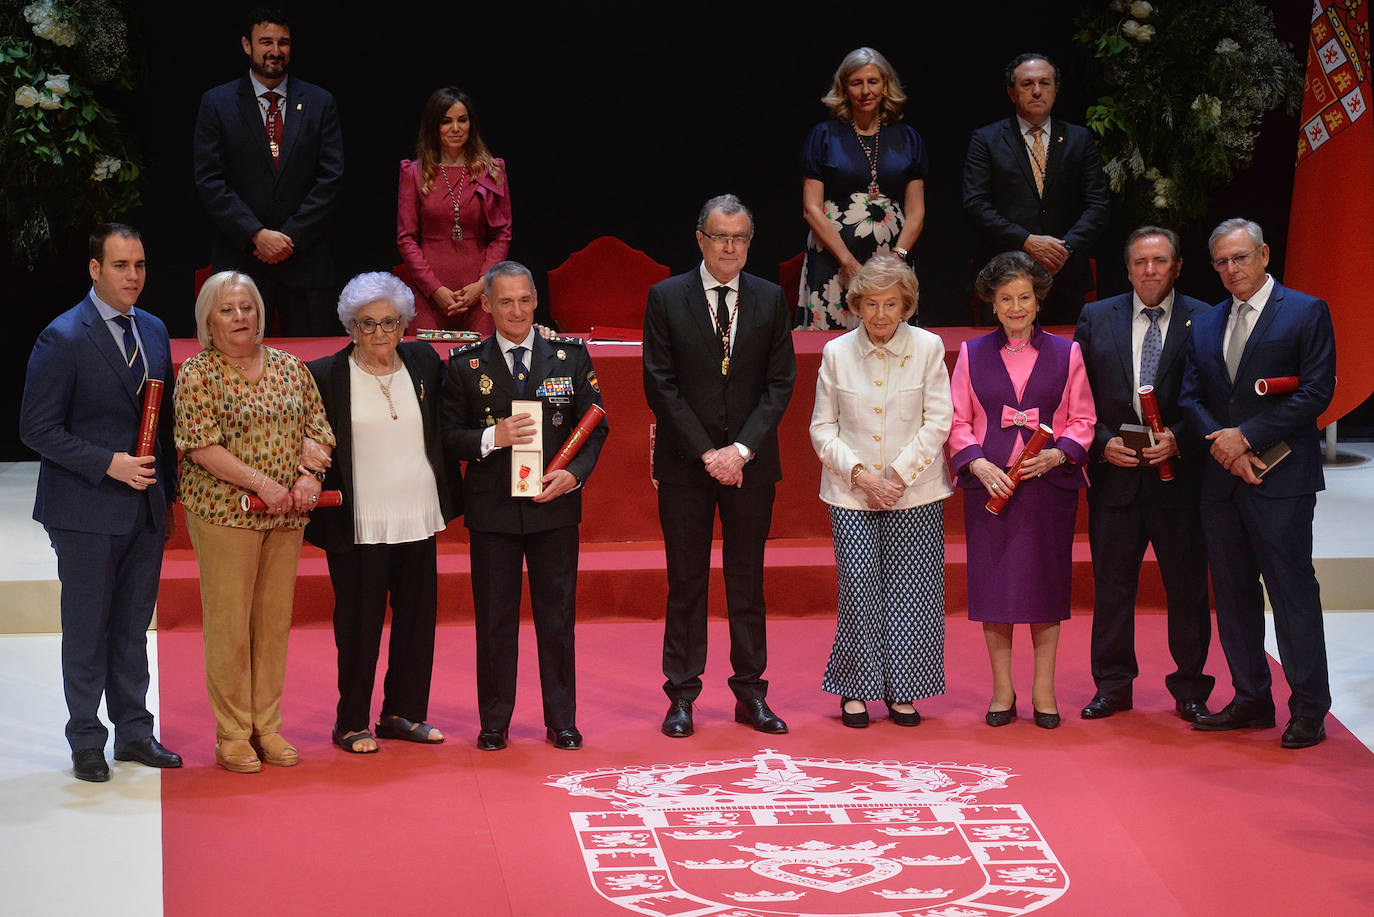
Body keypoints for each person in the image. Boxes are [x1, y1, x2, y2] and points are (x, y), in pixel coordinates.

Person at [19, 223, 183, 782]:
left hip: (144, 508)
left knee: (132, 627)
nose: (133, 276)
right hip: (84, 507)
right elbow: (35, 428)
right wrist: (107, 462)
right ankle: (87, 739)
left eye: (139, 265)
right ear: (95, 269)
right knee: (87, 628)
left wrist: (168, 497)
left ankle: (135, 732)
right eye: (121, 266)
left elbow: (161, 424)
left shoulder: (155, 330)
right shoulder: (62, 336)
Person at [643, 194, 798, 738]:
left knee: (746, 581)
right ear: (700, 239)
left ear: (749, 243)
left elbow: (780, 384)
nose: (730, 248)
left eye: (740, 239)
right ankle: (681, 695)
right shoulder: (665, 297)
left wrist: (742, 451)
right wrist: (709, 453)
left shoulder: (770, 298)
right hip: (688, 466)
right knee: (686, 581)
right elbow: (659, 384)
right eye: (720, 237)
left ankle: (750, 692)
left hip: (751, 467)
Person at [1179, 218, 1336, 749]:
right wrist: (1223, 445)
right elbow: (1191, 398)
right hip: (1223, 482)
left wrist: (1245, 436)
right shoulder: (1205, 322)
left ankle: (1309, 709)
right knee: (1234, 595)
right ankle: (1251, 697)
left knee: (1292, 594)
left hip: (1283, 479)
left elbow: (1316, 393)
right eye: (1221, 262)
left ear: (1264, 254)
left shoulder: (1306, 311)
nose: (1230, 270)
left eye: (1240, 258)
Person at [441, 261, 607, 751]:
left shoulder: (569, 356)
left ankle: (562, 719)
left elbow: (596, 426)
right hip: (492, 512)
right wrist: (493, 436)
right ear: (487, 305)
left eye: (525, 300)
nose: (517, 311)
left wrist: (573, 475)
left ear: (537, 300)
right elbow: (448, 437)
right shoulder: (466, 363)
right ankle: (495, 721)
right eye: (505, 302)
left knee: (557, 619)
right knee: (494, 621)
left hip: (552, 507)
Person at [174, 271, 335, 773]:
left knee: (271, 625)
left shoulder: (291, 367)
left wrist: (310, 476)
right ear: (208, 320)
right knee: (230, 626)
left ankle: (268, 727)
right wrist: (263, 484)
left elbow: (319, 430)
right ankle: (232, 734)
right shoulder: (197, 373)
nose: (240, 317)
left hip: (286, 517)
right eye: (227, 309)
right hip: (227, 515)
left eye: (247, 307)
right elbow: (200, 447)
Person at [303, 272, 459, 754]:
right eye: (366, 324)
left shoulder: (423, 362)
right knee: (358, 626)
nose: (379, 335)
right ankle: (350, 721)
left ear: (404, 324)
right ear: (351, 327)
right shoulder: (326, 374)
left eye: (389, 322)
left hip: (416, 512)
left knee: (416, 621)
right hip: (358, 520)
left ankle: (403, 713)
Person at [947, 251, 1095, 729]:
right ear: (992, 303)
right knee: (997, 592)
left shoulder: (1066, 352)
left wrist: (1061, 452)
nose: (1015, 307)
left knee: (1045, 590)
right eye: (1006, 298)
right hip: (990, 486)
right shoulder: (971, 354)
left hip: (1047, 486)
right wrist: (978, 463)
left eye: (1024, 297)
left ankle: (1044, 691)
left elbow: (1084, 418)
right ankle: (1002, 691)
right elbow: (956, 420)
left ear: (1038, 301)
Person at [1073, 227, 1214, 722]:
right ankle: (1112, 686)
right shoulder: (1095, 316)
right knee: (1112, 590)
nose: (1149, 270)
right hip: (1116, 478)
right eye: (1140, 262)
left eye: (1159, 261)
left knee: (1188, 589)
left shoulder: (1207, 317)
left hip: (1181, 478)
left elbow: (1216, 398)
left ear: (1176, 265)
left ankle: (1191, 689)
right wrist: (1099, 442)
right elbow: (1076, 395)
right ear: (1127, 267)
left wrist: (1183, 436)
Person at [809, 255, 952, 727]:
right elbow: (821, 429)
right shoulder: (836, 352)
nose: (881, 315)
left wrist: (897, 476)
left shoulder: (930, 348)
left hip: (915, 491)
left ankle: (903, 691)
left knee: (913, 590)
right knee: (859, 587)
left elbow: (939, 421)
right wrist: (861, 476)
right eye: (871, 304)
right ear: (856, 306)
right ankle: (855, 689)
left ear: (906, 305)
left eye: (891, 304)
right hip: (851, 492)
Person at [193, 6, 344, 336]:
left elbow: (330, 178)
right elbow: (210, 180)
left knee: (312, 371)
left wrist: (290, 237)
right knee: (237, 369)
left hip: (306, 262)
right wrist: (256, 235)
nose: (275, 51)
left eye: (283, 42)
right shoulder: (217, 103)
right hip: (241, 262)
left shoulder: (320, 102)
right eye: (266, 42)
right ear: (247, 45)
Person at [962, 53, 1110, 326]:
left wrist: (1065, 248)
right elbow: (976, 204)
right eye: (1027, 84)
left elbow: (1098, 204)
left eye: (1045, 83)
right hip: (1004, 273)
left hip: (1065, 274)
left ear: (1056, 90)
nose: (1037, 91)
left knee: (1064, 362)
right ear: (1012, 93)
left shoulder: (1080, 138)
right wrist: (1026, 241)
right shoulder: (986, 139)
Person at [799, 47, 929, 331]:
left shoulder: (908, 138)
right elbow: (811, 208)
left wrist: (898, 258)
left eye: (873, 81)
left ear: (885, 85)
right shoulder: (824, 136)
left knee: (891, 338)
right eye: (856, 83)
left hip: (891, 260)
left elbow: (916, 211)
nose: (865, 90)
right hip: (833, 259)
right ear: (844, 88)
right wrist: (847, 261)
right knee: (832, 344)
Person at [397, 87, 510, 334]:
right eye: (446, 122)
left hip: (480, 293)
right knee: (427, 364)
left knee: (481, 365)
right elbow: (406, 239)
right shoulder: (414, 173)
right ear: (433, 127)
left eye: (462, 120)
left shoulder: (492, 171)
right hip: (430, 295)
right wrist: (435, 290)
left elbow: (502, 234)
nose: (456, 128)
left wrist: (481, 285)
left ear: (471, 124)